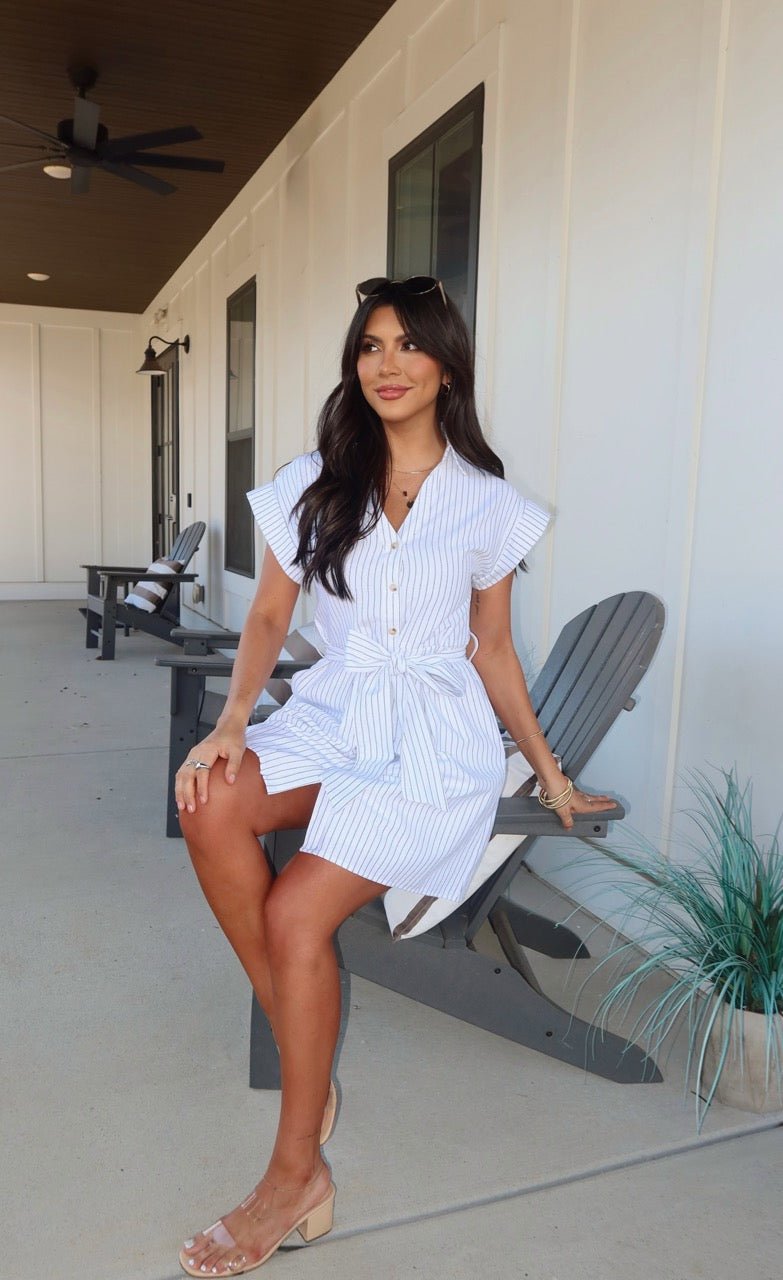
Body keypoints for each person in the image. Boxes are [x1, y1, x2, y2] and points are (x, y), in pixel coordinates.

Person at [175, 275, 615, 1277]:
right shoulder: (314, 479)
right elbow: (269, 619)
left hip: (431, 741)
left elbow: (494, 648)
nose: (387, 362)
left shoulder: (490, 504)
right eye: (371, 344)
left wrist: (546, 771)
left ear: (446, 366)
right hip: (335, 711)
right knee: (209, 802)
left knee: (295, 916)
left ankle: (297, 1171)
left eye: (409, 345)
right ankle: (304, 1040)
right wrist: (233, 723)